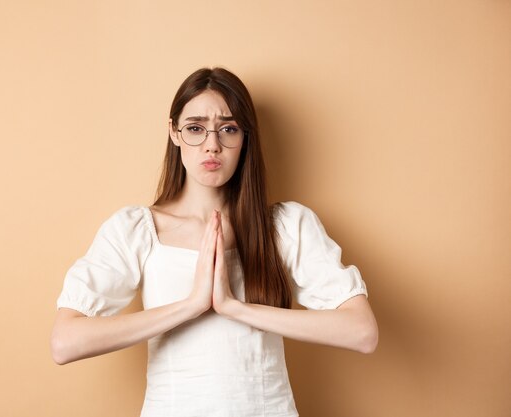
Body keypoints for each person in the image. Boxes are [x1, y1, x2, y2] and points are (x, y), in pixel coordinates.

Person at [50, 67, 378, 416]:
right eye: (195, 128)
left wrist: (235, 308)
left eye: (228, 129)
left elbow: (361, 332)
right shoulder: (137, 229)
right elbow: (65, 343)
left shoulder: (286, 227)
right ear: (174, 133)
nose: (212, 144)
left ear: (245, 138)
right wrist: (191, 305)